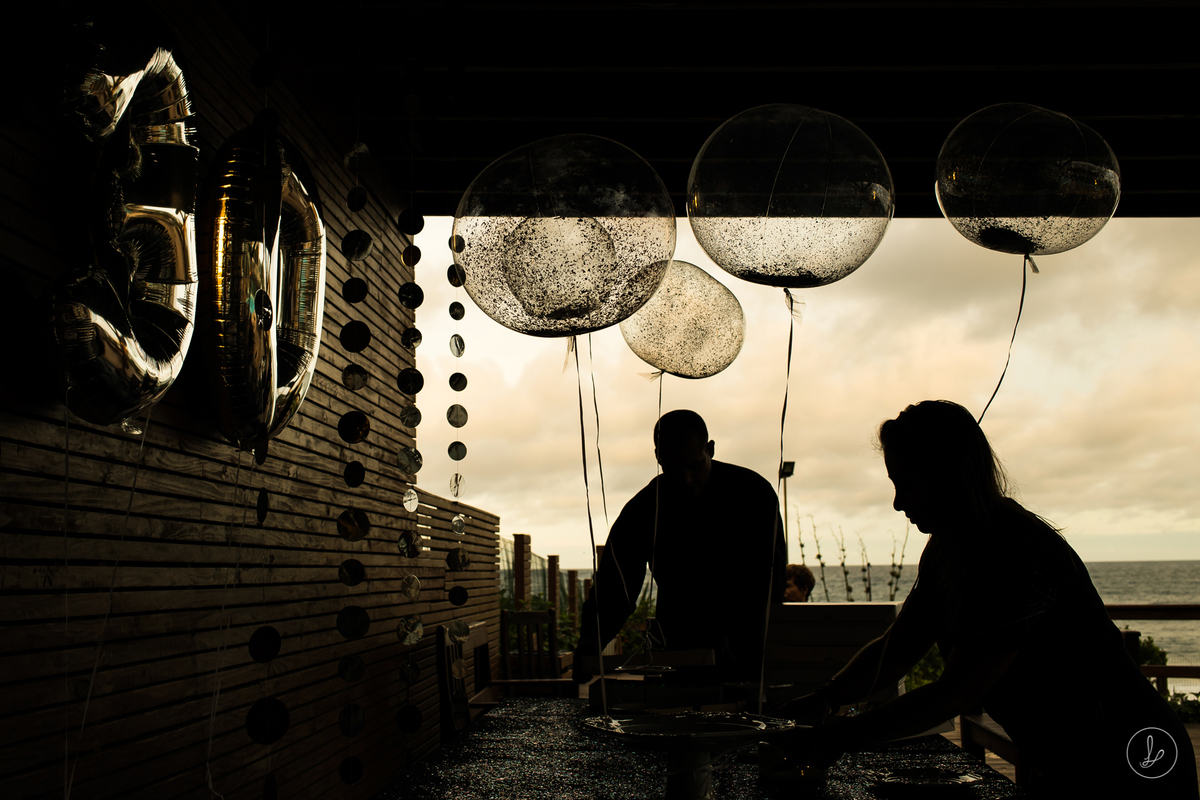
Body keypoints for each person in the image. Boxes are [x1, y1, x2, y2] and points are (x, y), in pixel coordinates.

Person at [778, 400, 1198, 797]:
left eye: (908, 484)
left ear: (948, 477)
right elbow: (900, 645)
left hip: (1128, 752)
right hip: (1065, 752)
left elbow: (956, 691)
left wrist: (839, 735)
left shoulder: (1016, 551)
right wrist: (827, 697)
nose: (898, 502)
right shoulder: (947, 548)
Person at [573, 409, 786, 682]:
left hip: (748, 650)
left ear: (710, 449)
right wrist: (591, 640)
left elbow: (770, 579)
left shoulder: (754, 494)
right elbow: (616, 585)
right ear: (657, 457)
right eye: (672, 469)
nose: (685, 479)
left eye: (694, 466)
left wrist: (745, 636)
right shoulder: (645, 508)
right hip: (677, 650)